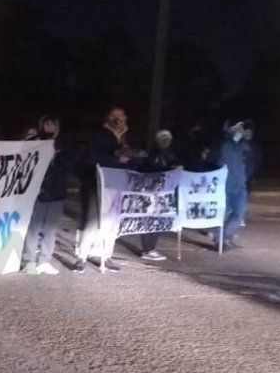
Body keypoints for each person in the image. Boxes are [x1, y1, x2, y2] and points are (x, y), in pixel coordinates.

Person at [70, 107, 135, 273]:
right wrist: (116, 157)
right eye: (114, 116)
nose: (117, 120)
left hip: (115, 184)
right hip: (96, 184)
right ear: (107, 118)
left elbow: (126, 158)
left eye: (121, 117)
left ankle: (106, 256)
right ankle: (81, 258)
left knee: (112, 223)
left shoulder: (124, 136)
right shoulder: (98, 134)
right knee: (92, 221)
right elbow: (93, 158)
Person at [21, 116, 67, 275]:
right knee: (34, 227)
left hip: (57, 192)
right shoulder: (34, 141)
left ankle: (44, 260)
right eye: (46, 123)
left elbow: (67, 165)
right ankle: (29, 261)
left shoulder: (62, 144)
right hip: (38, 192)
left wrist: (56, 155)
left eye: (52, 123)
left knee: (50, 229)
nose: (49, 126)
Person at [135, 130, 180, 262]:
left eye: (167, 138)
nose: (165, 141)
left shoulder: (170, 155)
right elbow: (148, 171)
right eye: (162, 138)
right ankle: (148, 249)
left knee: (158, 221)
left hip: (164, 193)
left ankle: (150, 248)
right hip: (152, 192)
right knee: (150, 220)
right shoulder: (153, 155)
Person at [215, 121, 251, 248]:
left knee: (239, 214)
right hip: (227, 185)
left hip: (240, 185)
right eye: (237, 131)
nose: (240, 133)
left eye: (241, 131)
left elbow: (248, 161)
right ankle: (221, 239)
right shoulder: (226, 146)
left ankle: (225, 237)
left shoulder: (242, 146)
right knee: (224, 214)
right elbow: (219, 162)